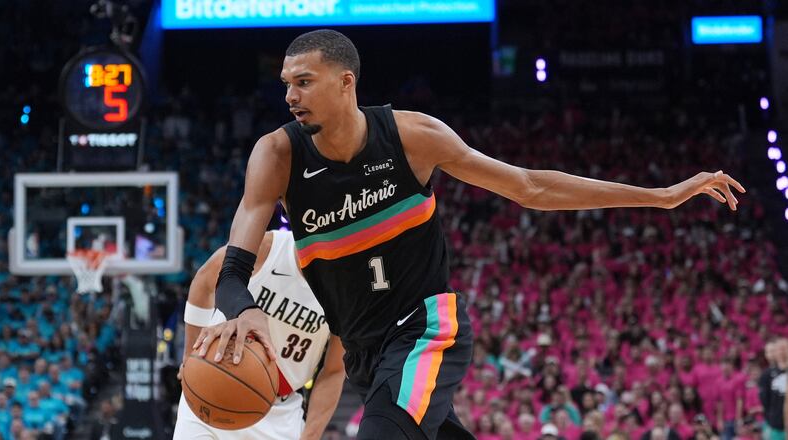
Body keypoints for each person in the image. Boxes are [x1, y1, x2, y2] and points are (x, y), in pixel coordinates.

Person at [193, 29, 745, 439]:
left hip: (424, 333)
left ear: (346, 82)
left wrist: (662, 196)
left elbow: (532, 187)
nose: (290, 95)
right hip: (363, 353)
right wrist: (241, 308)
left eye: (304, 82)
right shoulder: (278, 154)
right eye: (286, 84)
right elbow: (235, 266)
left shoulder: (413, 137)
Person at [177, 230, 344, 440]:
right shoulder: (267, 247)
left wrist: (311, 435)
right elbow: (204, 281)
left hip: (279, 413)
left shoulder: (346, 286)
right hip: (213, 384)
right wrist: (189, 357)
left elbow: (334, 371)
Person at [760, 339, 787, 440]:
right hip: (776, 423)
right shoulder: (767, 374)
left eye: (785, 349)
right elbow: (765, 400)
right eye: (780, 349)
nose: (782, 352)